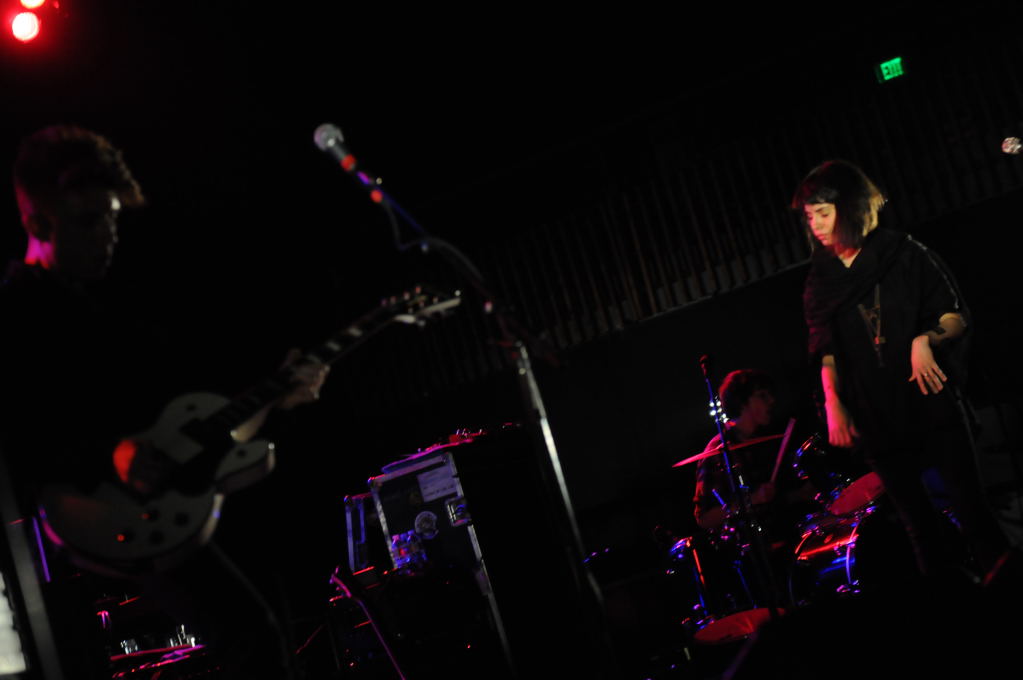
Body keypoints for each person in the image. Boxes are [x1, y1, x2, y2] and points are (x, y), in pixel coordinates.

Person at [0, 124, 329, 678]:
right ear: (38, 225)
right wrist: (108, 456)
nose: (109, 234)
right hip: (94, 520)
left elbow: (190, 426)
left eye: (112, 218)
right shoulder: (17, 316)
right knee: (252, 638)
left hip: (171, 510)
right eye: (89, 221)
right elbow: (22, 442)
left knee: (268, 628)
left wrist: (279, 399)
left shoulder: (112, 310)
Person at [794, 159, 1010, 582]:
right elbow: (824, 351)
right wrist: (833, 401)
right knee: (920, 530)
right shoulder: (820, 282)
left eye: (823, 213)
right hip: (877, 416)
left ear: (850, 208)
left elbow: (954, 317)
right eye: (809, 216)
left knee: (973, 512)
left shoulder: (903, 253)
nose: (815, 224)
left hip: (931, 403)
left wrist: (925, 339)